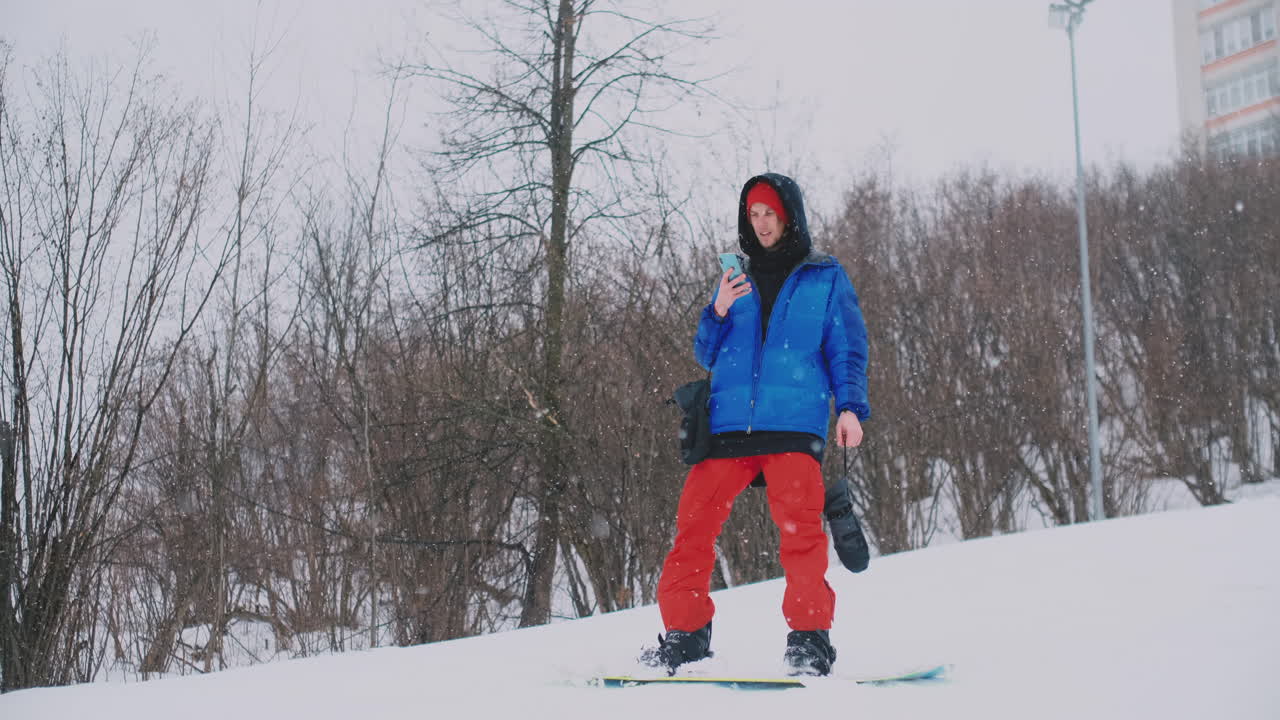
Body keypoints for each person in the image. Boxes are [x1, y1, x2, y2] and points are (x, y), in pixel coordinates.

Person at [641, 173, 870, 676]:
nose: (761, 223)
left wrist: (850, 407)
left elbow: (847, 348)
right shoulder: (734, 278)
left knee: (802, 533)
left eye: (769, 213)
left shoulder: (825, 275)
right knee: (693, 526)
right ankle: (685, 635)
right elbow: (705, 351)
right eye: (754, 215)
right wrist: (718, 308)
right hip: (728, 428)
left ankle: (810, 640)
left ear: (788, 215)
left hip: (791, 425)